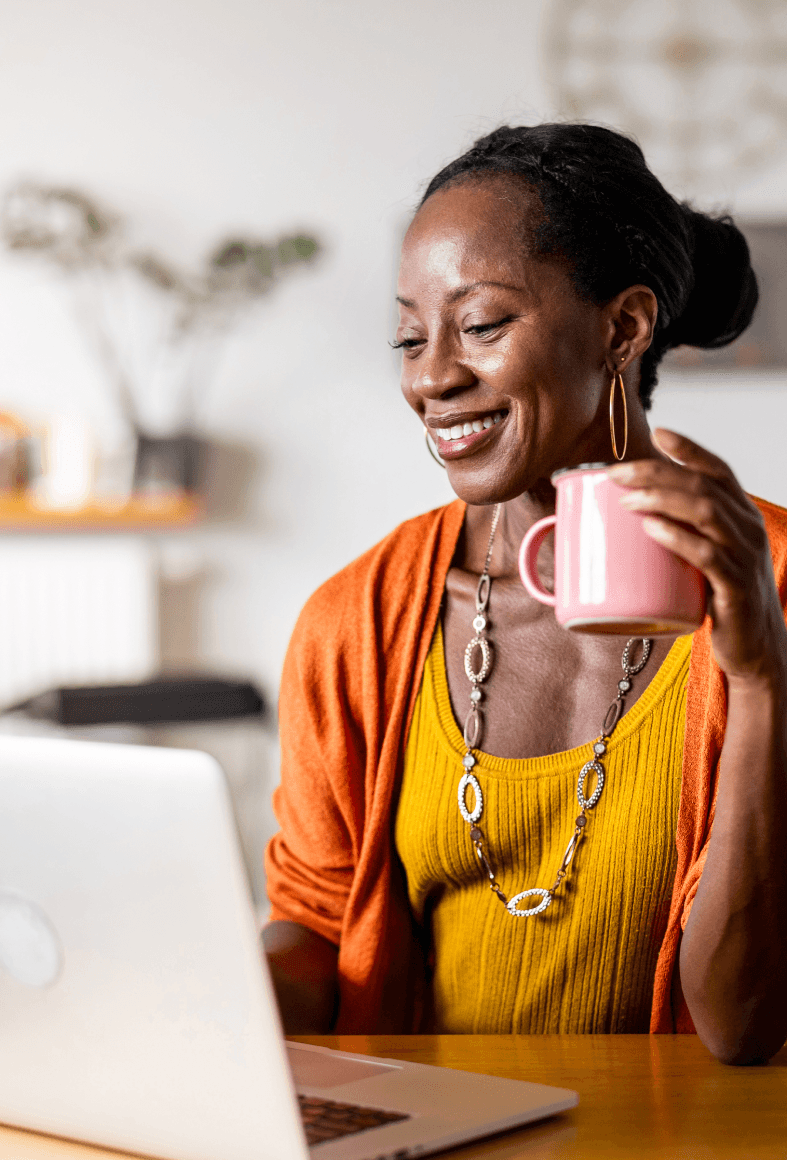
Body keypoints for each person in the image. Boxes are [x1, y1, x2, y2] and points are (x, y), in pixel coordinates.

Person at [262, 123, 787, 1065]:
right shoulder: (357, 623)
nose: (430, 377)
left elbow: (743, 1023)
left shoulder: (776, 586)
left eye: (483, 324)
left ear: (622, 327)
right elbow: (316, 929)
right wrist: (196, 996)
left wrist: (759, 678)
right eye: (410, 337)